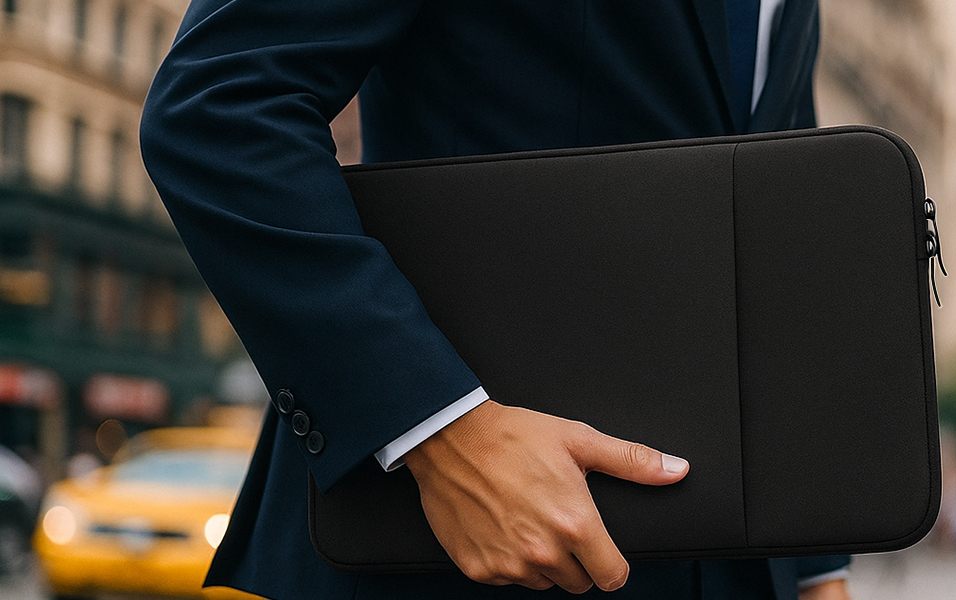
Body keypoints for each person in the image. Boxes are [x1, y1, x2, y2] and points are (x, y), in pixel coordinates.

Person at [138, 0, 851, 598]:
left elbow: (771, 221)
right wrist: (440, 431)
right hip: (442, 550)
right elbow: (220, 104)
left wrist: (819, 567)